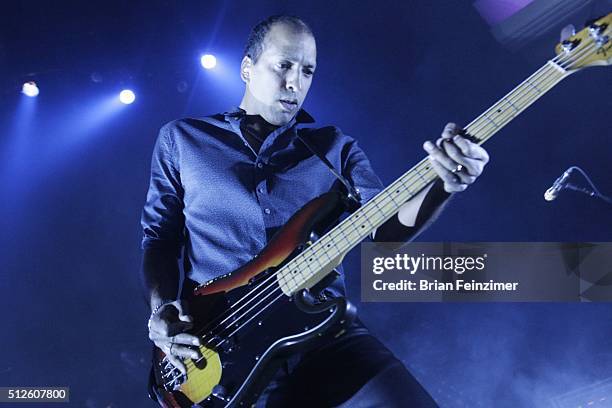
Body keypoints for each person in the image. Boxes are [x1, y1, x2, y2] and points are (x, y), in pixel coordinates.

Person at [141, 15, 489, 407]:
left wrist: (443, 184)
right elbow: (159, 237)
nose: (295, 83)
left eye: (307, 71)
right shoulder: (182, 140)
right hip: (227, 348)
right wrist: (162, 309)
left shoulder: (333, 148)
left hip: (326, 336)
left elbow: (385, 231)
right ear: (246, 68)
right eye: (284, 65)